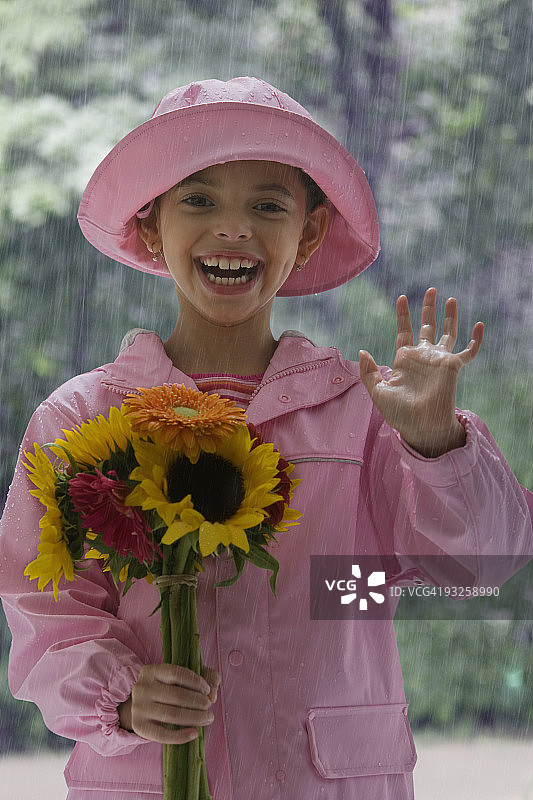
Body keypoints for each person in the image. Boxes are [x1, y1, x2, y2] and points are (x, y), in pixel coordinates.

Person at [0, 77, 531, 800]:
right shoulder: (79, 420)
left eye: (267, 205)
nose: (233, 228)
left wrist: (435, 445)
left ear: (307, 235)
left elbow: (475, 569)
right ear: (152, 226)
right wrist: (120, 694)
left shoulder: (366, 410)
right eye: (199, 200)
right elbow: (46, 611)